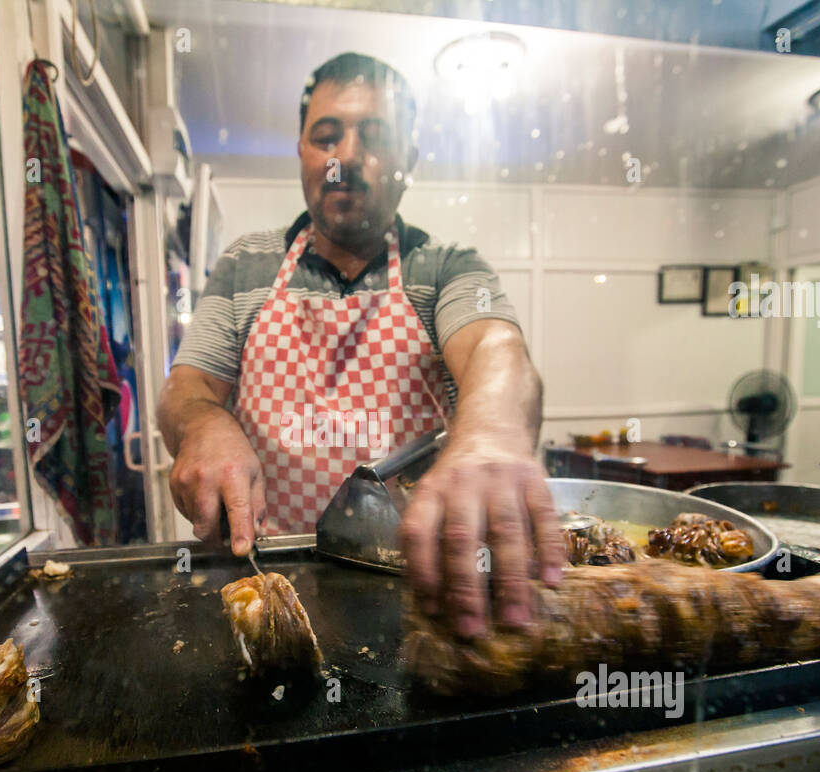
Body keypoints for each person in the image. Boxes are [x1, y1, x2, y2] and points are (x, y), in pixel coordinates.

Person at [157, 52, 561, 637]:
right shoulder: (247, 266)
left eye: (374, 137)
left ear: (409, 161)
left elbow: (494, 349)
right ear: (301, 151)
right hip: (270, 588)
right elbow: (187, 387)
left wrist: (494, 430)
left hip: (417, 595)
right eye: (326, 136)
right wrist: (202, 425)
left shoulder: (446, 267)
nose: (346, 156)